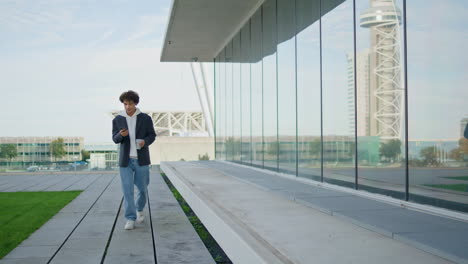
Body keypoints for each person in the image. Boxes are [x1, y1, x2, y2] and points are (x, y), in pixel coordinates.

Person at [112, 90, 156, 230]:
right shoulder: (117, 119)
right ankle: (130, 218)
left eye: (130, 104)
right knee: (127, 190)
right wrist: (120, 135)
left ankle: (139, 209)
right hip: (125, 161)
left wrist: (145, 142)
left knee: (142, 189)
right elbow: (115, 139)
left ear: (135, 103)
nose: (127, 107)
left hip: (141, 160)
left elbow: (152, 135)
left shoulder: (145, 118)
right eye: (125, 104)